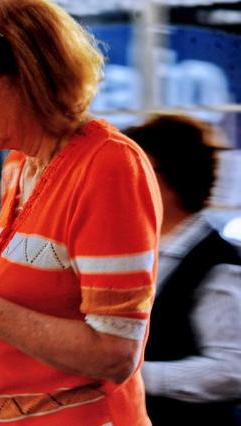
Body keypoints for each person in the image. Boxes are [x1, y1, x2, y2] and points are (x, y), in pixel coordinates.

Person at [0, 1, 162, 425]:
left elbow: (114, 354)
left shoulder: (108, 167)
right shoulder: (19, 163)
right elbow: (28, 316)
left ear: (34, 75)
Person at [124, 115, 241, 425]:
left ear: (168, 179)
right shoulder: (139, 252)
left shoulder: (220, 265)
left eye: (131, 172)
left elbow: (231, 370)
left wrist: (130, 375)